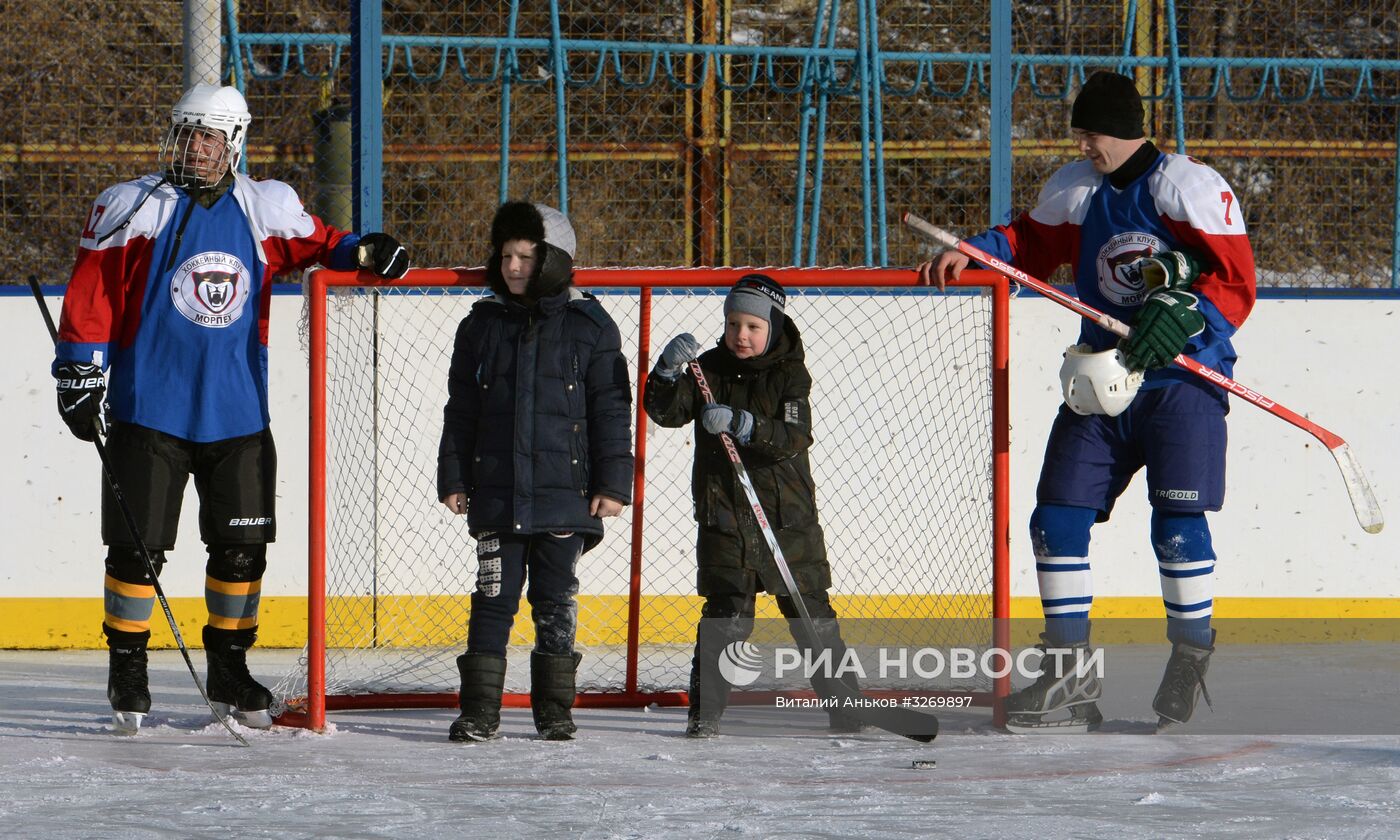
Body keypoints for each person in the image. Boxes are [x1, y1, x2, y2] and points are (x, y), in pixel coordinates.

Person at [52, 84, 411, 734]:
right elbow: (93, 291)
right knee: (136, 551)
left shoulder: (265, 208)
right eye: (188, 134)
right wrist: (80, 370)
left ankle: (229, 667)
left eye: (209, 137)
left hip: (238, 413)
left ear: (233, 144)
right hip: (148, 410)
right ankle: (127, 667)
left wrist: (364, 249)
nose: (196, 147)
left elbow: (322, 243)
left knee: (242, 551)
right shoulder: (132, 206)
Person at [917, 70, 1256, 732]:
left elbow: (1236, 281)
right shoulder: (1075, 189)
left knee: (1177, 529)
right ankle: (1066, 675)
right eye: (1079, 133)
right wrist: (974, 254)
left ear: (1124, 130)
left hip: (1182, 383)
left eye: (1091, 133)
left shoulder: (1188, 187)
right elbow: (1027, 248)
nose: (1083, 144)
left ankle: (1190, 655)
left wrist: (1187, 317)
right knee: (1056, 521)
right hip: (1100, 380)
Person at [436, 201, 634, 742]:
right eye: (505, 255)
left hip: (565, 497)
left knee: (555, 603)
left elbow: (612, 411)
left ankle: (554, 710)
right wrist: (454, 478)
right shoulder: (482, 325)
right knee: (492, 600)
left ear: (555, 259)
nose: (514, 267)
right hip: (498, 493)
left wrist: (614, 485)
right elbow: (462, 409)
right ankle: (479, 711)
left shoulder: (591, 325)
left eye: (527, 256)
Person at [643, 274, 863, 738]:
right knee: (724, 619)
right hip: (726, 516)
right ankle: (705, 715)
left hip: (787, 519)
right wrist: (664, 373)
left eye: (753, 326)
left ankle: (848, 708)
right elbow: (667, 412)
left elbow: (793, 437)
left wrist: (746, 424)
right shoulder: (708, 370)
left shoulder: (790, 375)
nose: (741, 335)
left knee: (811, 617)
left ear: (773, 327)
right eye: (733, 324)